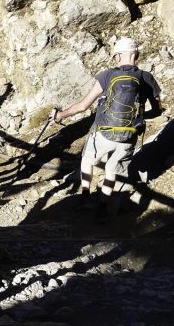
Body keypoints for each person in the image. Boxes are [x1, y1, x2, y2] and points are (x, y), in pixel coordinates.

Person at [50, 37, 162, 216]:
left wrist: (59, 115)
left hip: (103, 133)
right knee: (111, 169)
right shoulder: (147, 78)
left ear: (117, 56)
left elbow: (82, 106)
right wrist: (139, 118)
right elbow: (158, 110)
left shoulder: (107, 75)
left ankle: (85, 195)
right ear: (136, 55)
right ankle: (103, 206)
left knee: (87, 160)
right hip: (128, 136)